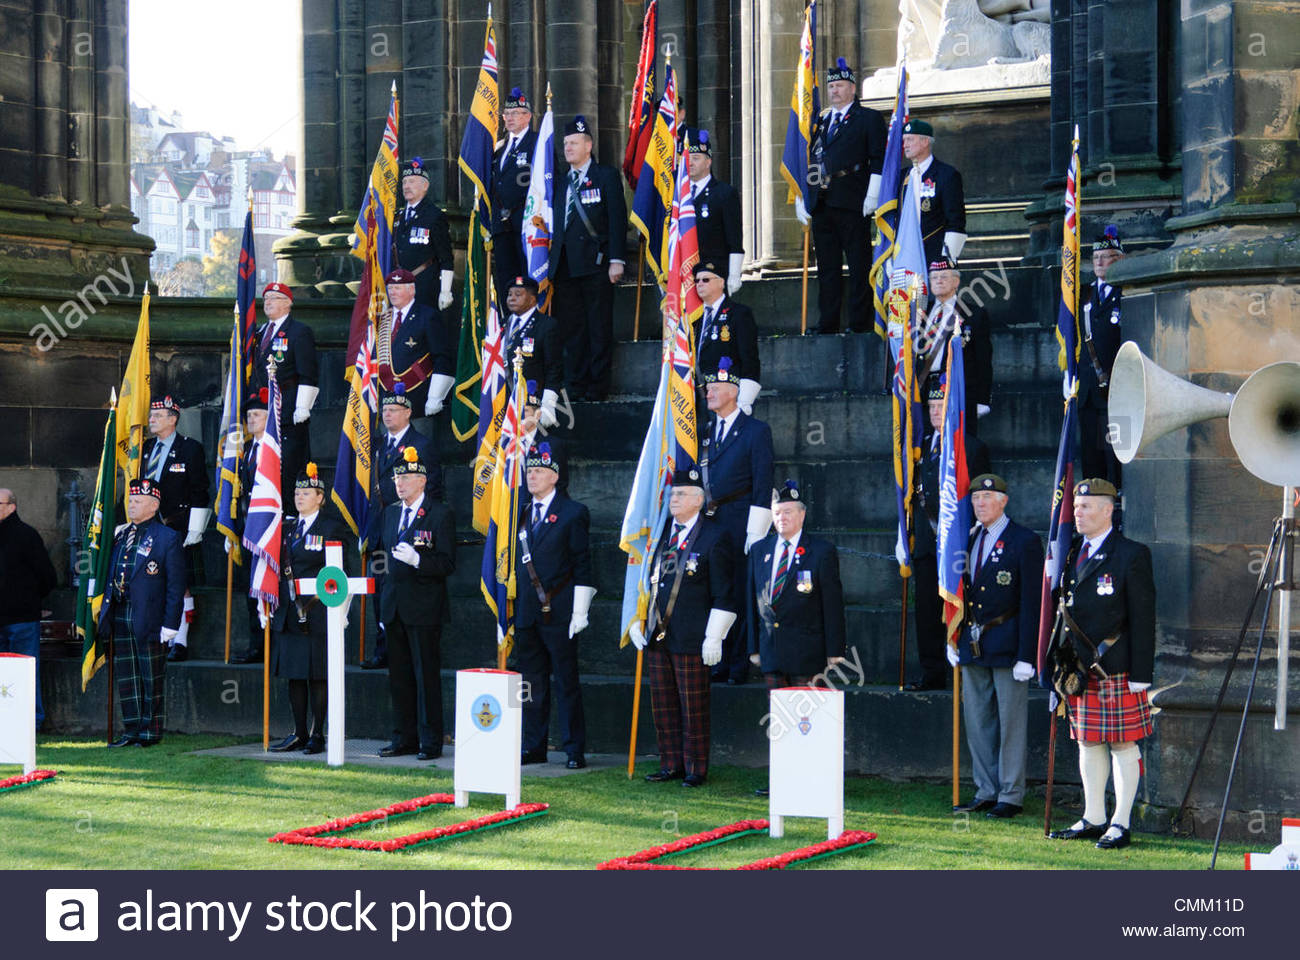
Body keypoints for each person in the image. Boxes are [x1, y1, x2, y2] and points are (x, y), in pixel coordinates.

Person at [1048, 478, 1155, 850]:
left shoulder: (1131, 554)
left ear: (1108, 510)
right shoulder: (1071, 551)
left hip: (1117, 668)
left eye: (1086, 507)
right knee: (1088, 743)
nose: (1077, 513)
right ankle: (1093, 817)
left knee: (1123, 744)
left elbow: (1143, 618)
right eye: (1076, 507)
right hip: (1077, 669)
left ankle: (1120, 823)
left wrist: (1142, 674)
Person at [629, 469, 737, 787]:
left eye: (680, 494)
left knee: (693, 705)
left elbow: (724, 592)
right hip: (658, 633)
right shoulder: (661, 533)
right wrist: (637, 619)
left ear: (698, 500)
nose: (673, 499)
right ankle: (670, 763)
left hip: (693, 634)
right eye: (673, 494)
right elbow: (646, 582)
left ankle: (695, 768)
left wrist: (714, 636)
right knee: (663, 704)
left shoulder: (715, 536)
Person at [950, 474, 1044, 819]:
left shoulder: (1024, 541)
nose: (980, 503)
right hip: (974, 643)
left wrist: (1027, 655)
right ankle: (986, 789)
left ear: (1004, 501)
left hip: (1008, 643)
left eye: (988, 497)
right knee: (978, 722)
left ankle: (1011, 794)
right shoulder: (967, 538)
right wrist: (954, 637)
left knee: (1011, 724)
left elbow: (1032, 601)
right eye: (976, 498)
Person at [905, 380, 991, 691]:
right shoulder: (919, 446)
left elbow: (982, 496)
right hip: (928, 544)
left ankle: (961, 670)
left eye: (941, 407)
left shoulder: (971, 447)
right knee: (927, 611)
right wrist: (906, 536)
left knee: (960, 608)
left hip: (959, 544)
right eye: (931, 408)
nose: (936, 412)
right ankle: (931, 673)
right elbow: (913, 495)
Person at [515, 441, 595, 769]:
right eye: (528, 471)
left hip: (560, 610)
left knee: (566, 682)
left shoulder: (573, 512)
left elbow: (583, 565)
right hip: (527, 613)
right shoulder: (521, 511)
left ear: (554, 476)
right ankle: (534, 745)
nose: (531, 477)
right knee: (530, 684)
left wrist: (580, 611)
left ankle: (574, 749)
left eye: (537, 471)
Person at [374, 446, 456, 761]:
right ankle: (403, 738)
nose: (400, 482)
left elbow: (448, 563)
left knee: (426, 677)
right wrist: (383, 605)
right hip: (394, 605)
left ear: (422, 480)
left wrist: (419, 560)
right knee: (399, 678)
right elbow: (383, 562)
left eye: (406, 476)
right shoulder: (391, 512)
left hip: (424, 608)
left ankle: (430, 741)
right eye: (397, 476)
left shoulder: (439, 513)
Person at [699, 357, 774, 684]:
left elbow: (763, 480)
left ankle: (738, 664)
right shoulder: (703, 431)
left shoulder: (755, 431)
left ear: (734, 391)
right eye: (707, 387)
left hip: (740, 518)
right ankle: (717, 660)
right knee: (715, 591)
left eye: (715, 387)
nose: (709, 392)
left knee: (741, 593)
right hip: (708, 522)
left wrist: (756, 530)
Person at [269, 463, 352, 754]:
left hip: (318, 613)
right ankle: (299, 732)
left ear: (320, 497)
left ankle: (319, 734)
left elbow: (341, 572)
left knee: (318, 675)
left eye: (306, 492)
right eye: (296, 492)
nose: (299, 496)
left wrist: (340, 609)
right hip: (290, 612)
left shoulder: (331, 527)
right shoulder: (287, 527)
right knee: (295, 675)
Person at [97, 478, 184, 746]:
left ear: (153, 505)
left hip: (150, 616)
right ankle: (131, 728)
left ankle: (150, 730)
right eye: (131, 500)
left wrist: (171, 623)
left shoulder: (167, 537)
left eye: (137, 501)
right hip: (121, 611)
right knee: (128, 676)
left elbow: (175, 585)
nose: (131, 506)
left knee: (151, 676)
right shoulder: (120, 534)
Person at [548, 115, 627, 401]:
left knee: (598, 327)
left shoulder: (605, 176)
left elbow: (617, 221)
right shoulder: (560, 182)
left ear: (588, 145)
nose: (568, 148)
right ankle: (576, 383)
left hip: (596, 265)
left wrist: (617, 259)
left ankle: (597, 386)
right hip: (565, 267)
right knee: (572, 330)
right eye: (566, 143)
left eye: (574, 143)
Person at [363, 384, 442, 671]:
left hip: (409, 530)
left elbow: (433, 489)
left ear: (408, 412)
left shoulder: (422, 446)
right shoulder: (377, 444)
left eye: (394, 410)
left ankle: (403, 651)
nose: (387, 414)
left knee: (406, 592)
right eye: (384, 410)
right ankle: (382, 648)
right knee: (381, 592)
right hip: (380, 530)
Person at [807, 57, 887, 334]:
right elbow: (813, 159)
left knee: (858, 265)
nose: (835, 91)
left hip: (853, 199)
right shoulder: (820, 120)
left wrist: (873, 194)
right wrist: (805, 195)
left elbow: (879, 158)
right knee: (827, 269)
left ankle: (859, 324)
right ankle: (827, 323)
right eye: (831, 87)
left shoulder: (869, 118)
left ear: (852, 88)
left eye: (840, 85)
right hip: (823, 202)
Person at [747, 480, 847, 687]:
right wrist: (753, 647)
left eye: (788, 512)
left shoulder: (821, 552)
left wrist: (834, 650)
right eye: (777, 513)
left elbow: (832, 604)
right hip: (771, 650)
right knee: (778, 717)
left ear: (802, 515)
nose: (781, 518)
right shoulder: (759, 550)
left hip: (807, 653)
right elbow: (751, 601)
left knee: (805, 719)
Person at [139, 394, 209, 661]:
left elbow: (200, 490)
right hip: (147, 524)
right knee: (149, 577)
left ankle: (179, 641)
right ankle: (156, 636)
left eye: (157, 416)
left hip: (177, 525)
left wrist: (196, 528)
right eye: (151, 416)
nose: (151, 420)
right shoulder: (145, 447)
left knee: (181, 583)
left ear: (173, 418)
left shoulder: (191, 449)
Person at [248, 282, 318, 495]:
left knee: (288, 465)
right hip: (263, 407)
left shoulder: (299, 331)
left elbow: (308, 371)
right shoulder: (260, 332)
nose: (268, 302)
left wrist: (302, 407)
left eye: (274, 298)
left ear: (288, 303)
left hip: (288, 408)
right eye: (266, 298)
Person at [915, 253, 993, 436]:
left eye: (944, 276)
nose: (938, 281)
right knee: (929, 448)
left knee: (960, 448)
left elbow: (983, 359)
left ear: (956, 282)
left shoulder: (973, 313)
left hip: (959, 392)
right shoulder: (920, 313)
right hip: (925, 390)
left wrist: (982, 400)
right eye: (934, 277)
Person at [0, 489, 58, 729]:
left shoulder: (27, 535)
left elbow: (47, 576)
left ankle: (30, 723)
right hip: (13, 616)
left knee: (24, 673)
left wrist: (31, 600)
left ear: (11, 506)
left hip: (21, 619)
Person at [1076, 225, 1125, 494]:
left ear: (1119, 258)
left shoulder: (1125, 292)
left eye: (1105, 256)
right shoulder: (1083, 294)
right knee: (1091, 459)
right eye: (1095, 258)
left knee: (1114, 456)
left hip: (1114, 390)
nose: (1098, 262)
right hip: (1087, 392)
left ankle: (1115, 508)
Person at [231, 389, 272, 664]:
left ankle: (271, 644)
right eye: (248, 415)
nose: (251, 419)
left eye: (257, 415)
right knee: (250, 590)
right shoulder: (247, 451)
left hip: (269, 530)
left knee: (268, 588)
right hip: (248, 530)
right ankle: (257, 644)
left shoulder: (275, 450)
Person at [382, 268, 455, 418]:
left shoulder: (427, 316)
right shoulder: (383, 319)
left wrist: (435, 397)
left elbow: (442, 357)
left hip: (418, 399)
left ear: (411, 290)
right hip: (386, 401)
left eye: (398, 288)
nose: (392, 293)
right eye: (390, 288)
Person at [693, 261, 760, 415]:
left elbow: (749, 359)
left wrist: (744, 401)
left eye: (706, 280)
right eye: (697, 281)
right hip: (696, 397)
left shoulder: (738, 314)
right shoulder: (694, 318)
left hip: (727, 397)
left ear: (721, 282)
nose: (699, 284)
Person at [491, 88, 538, 304]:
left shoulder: (537, 143)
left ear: (527, 116)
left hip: (526, 223)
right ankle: (508, 325)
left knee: (526, 279)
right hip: (501, 226)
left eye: (515, 113)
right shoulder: (499, 147)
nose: (509, 118)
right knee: (505, 281)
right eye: (506, 114)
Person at [683, 129, 744, 294]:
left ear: (708, 161)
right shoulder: (679, 195)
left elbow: (734, 238)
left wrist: (734, 274)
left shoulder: (724, 193)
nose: (690, 163)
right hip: (685, 277)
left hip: (714, 274)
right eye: (688, 159)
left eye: (696, 158)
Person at [899, 118, 967, 266]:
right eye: (904, 140)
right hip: (904, 255)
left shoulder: (946, 174)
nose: (905, 145)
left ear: (925, 142)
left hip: (934, 255)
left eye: (910, 140)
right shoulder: (901, 177)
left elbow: (956, 219)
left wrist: (948, 258)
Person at [392, 156, 455, 313]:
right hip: (399, 290)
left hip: (425, 290)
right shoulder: (397, 217)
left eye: (412, 182)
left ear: (425, 186)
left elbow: (446, 257)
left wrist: (445, 291)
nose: (406, 186)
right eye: (404, 182)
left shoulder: (434, 216)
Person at [503, 275, 564, 427]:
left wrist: (548, 404)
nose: (512, 299)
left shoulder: (546, 325)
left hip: (532, 401)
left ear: (532, 299)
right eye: (510, 295)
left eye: (518, 295)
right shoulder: (502, 325)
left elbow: (554, 368)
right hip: (504, 401)